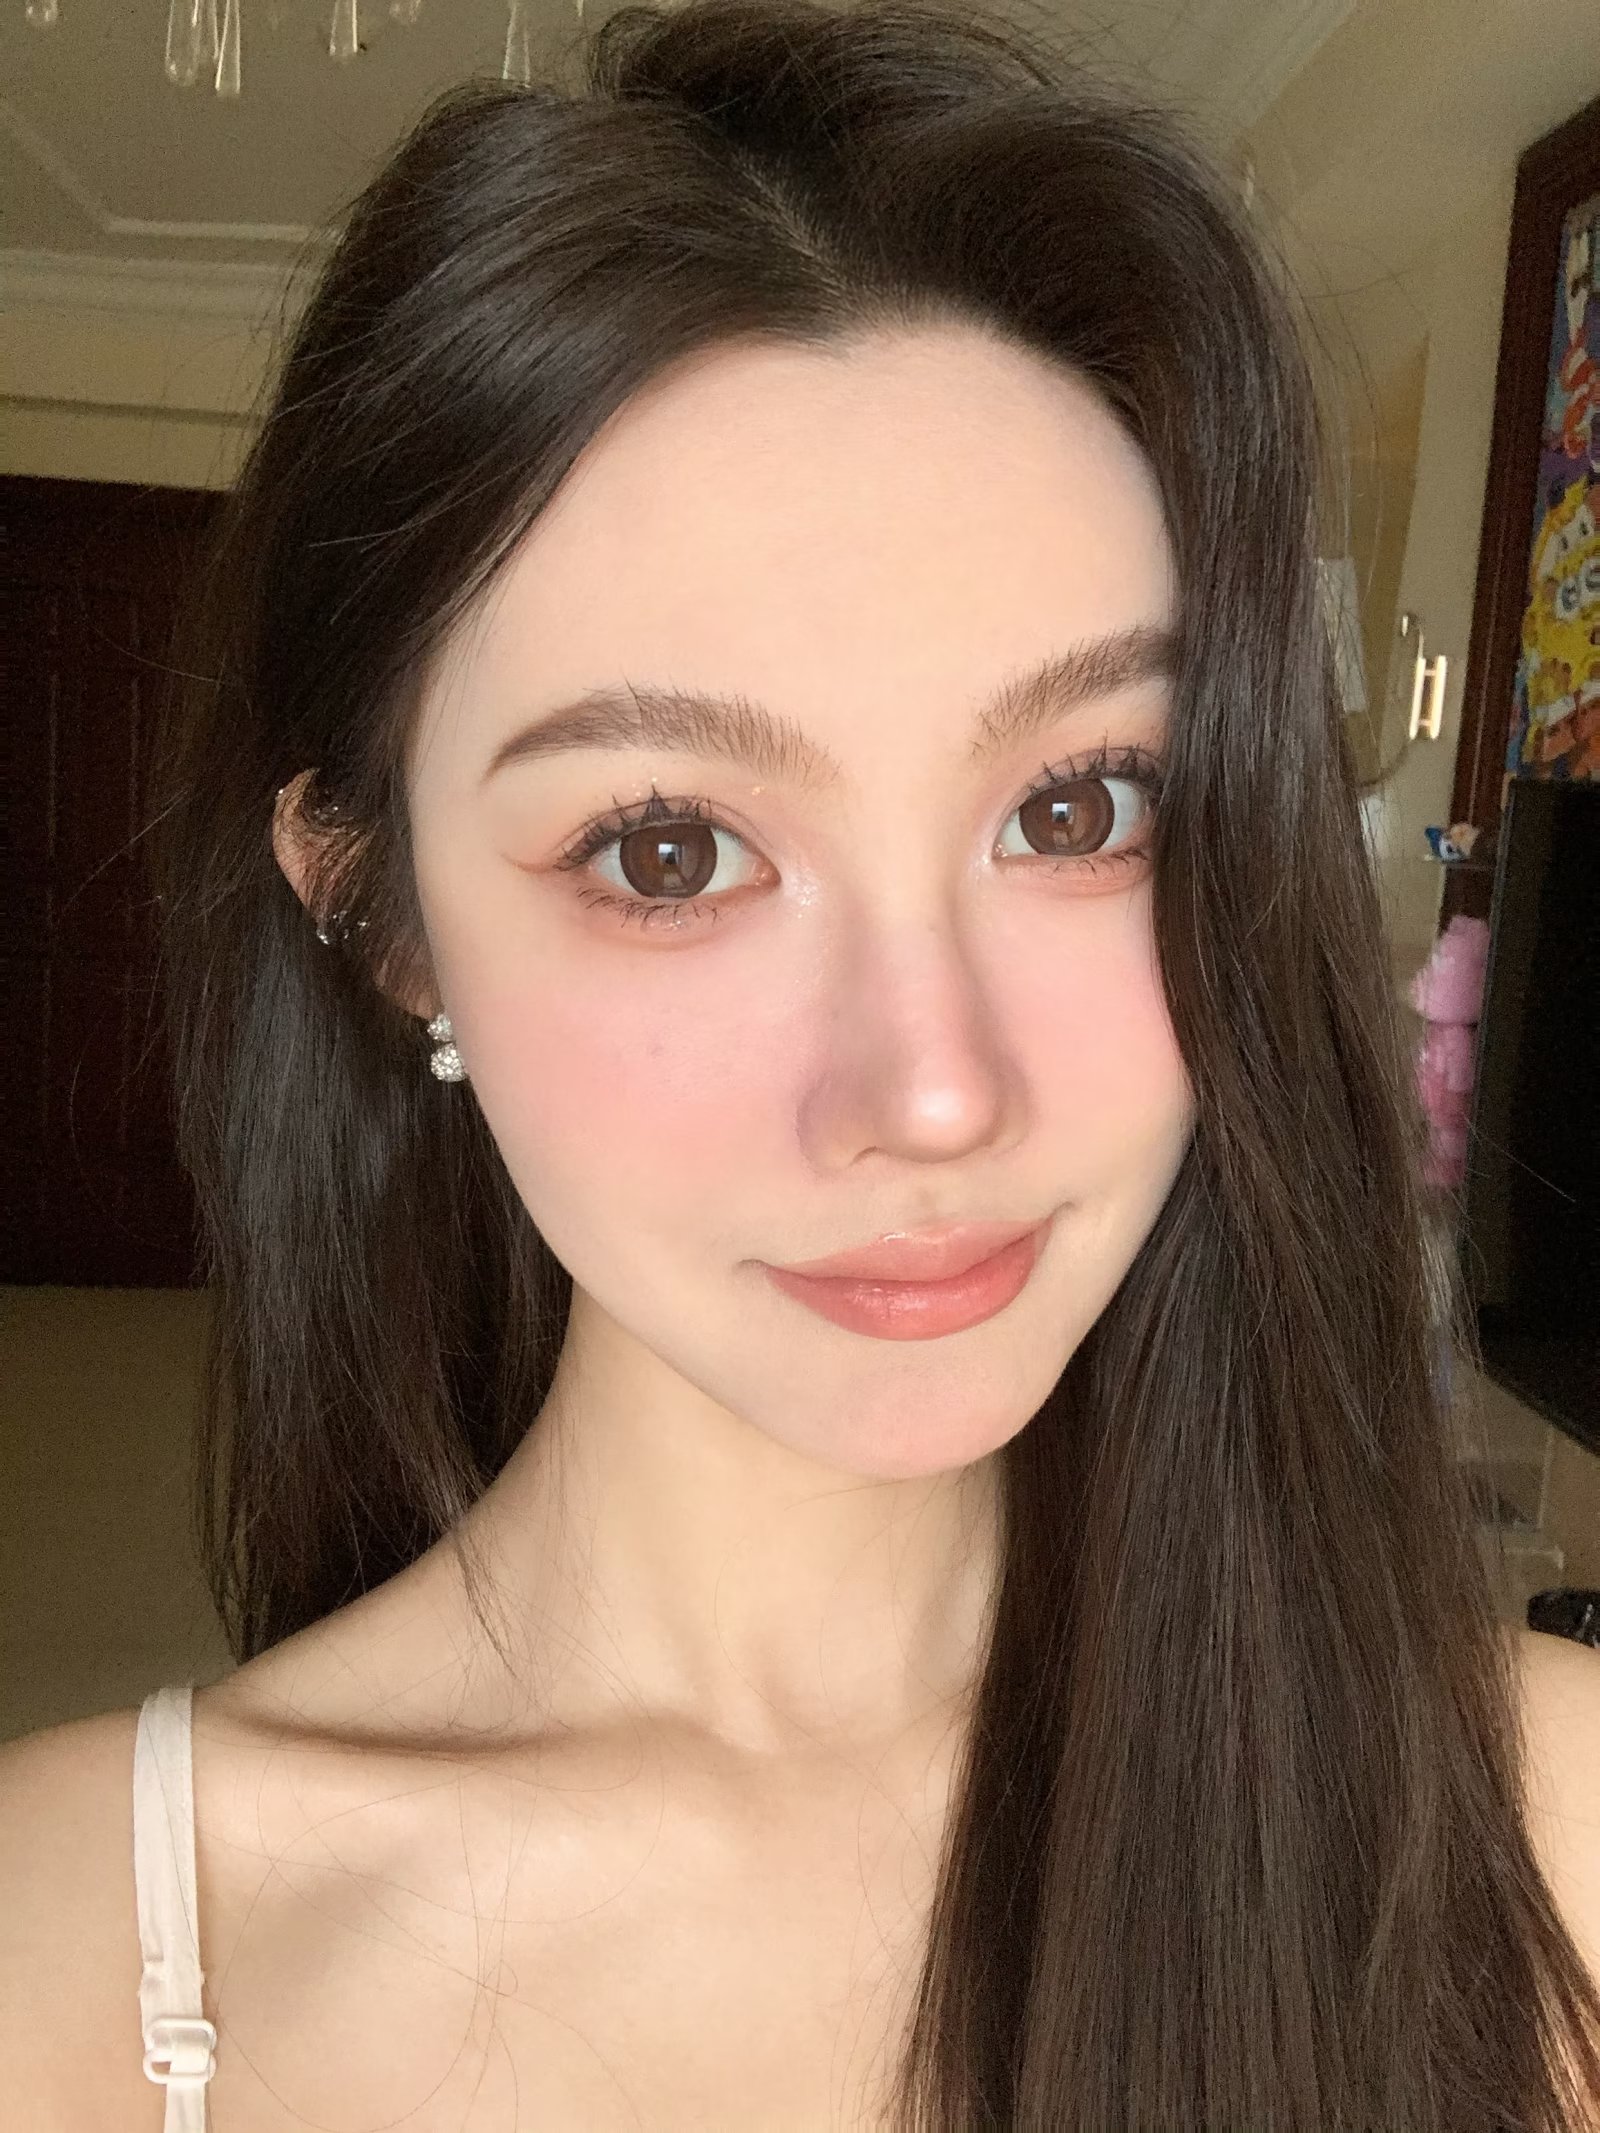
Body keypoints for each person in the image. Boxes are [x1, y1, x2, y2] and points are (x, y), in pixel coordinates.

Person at [4, 0, 1600, 2125]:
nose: (933, 1092)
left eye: (1078, 808)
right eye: (668, 850)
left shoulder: (1554, 1822)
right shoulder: (81, 1960)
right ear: (382, 916)